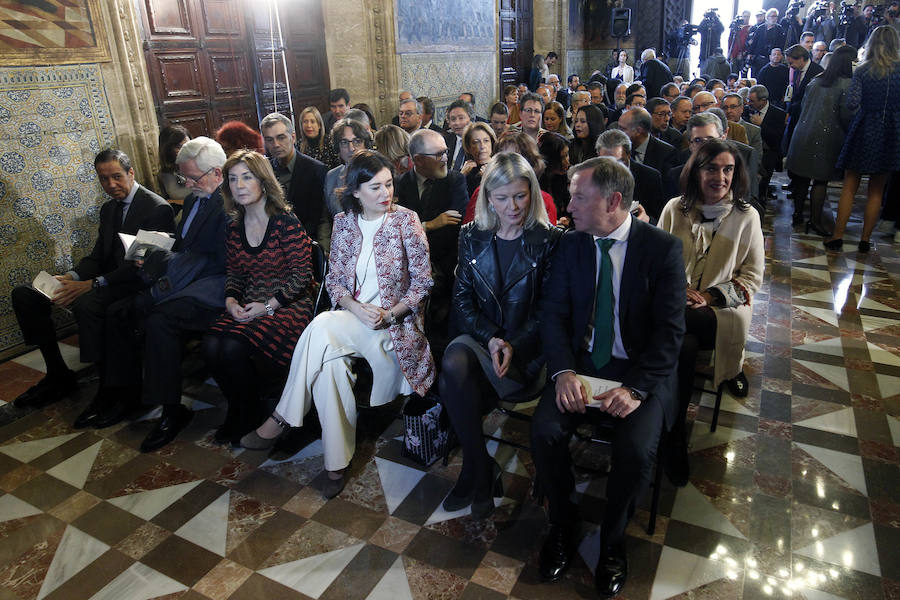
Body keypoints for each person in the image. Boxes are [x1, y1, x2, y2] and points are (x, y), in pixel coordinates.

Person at [532, 157, 685, 598]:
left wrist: (636, 389)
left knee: (635, 450)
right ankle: (563, 523)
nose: (569, 204)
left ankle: (614, 540)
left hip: (638, 370)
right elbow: (553, 316)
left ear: (614, 201)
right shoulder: (571, 244)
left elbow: (669, 334)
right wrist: (561, 372)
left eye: (579, 196)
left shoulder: (660, 250)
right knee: (544, 432)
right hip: (581, 366)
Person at [243, 151, 435, 500]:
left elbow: (423, 284)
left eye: (388, 184)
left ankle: (283, 420)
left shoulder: (407, 221)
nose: (385, 193)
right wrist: (354, 307)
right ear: (356, 191)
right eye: (375, 187)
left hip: (392, 328)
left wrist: (388, 313)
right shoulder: (345, 222)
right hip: (350, 319)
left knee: (320, 329)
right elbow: (334, 283)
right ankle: (335, 463)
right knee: (329, 359)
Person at [440, 152, 561, 518]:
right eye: (503, 197)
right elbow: (461, 298)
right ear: (488, 198)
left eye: (521, 196)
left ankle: (476, 471)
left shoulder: (550, 239)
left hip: (527, 353)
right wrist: (492, 338)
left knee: (453, 384)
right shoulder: (471, 236)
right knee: (454, 359)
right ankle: (479, 470)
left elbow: (548, 311)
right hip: (482, 342)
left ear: (533, 194)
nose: (513, 206)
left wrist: (512, 343)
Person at [11, 150, 174, 412]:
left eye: (117, 177)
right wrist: (71, 277)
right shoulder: (109, 209)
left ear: (131, 173)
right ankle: (57, 373)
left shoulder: (157, 208)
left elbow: (139, 267)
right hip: (107, 281)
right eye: (104, 179)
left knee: (88, 303)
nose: (111, 185)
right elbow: (99, 255)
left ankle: (108, 385)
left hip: (136, 283)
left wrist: (92, 284)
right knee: (25, 295)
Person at [202, 150, 316, 444]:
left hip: (289, 303)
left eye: (247, 177)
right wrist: (230, 301)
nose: (239, 185)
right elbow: (236, 274)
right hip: (252, 301)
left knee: (232, 346)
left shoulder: (285, 221)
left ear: (263, 182)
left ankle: (249, 412)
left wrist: (268, 307)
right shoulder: (234, 225)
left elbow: (302, 276)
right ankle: (239, 409)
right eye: (233, 179)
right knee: (212, 343)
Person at [125, 137, 229, 451]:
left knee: (159, 320)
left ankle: (171, 410)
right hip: (189, 278)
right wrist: (157, 246)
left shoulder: (227, 204)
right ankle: (130, 393)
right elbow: (185, 242)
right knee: (127, 307)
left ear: (218, 173)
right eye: (184, 177)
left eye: (193, 178)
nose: (187, 184)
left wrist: (171, 264)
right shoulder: (198, 197)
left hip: (215, 286)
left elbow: (219, 261)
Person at [829, 26, 900, 252]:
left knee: (850, 185)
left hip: (865, 126)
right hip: (891, 130)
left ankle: (838, 236)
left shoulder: (862, 70)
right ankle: (865, 241)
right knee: (877, 190)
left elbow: (851, 103)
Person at [785, 45, 856, 237]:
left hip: (802, 132)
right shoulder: (847, 83)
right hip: (827, 137)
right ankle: (815, 221)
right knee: (820, 181)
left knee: (801, 178)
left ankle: (798, 215)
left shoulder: (816, 80)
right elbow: (846, 114)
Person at [259, 112, 328, 242]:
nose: (276, 144)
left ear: (293, 137)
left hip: (307, 241)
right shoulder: (264, 171)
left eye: (281, 137)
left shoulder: (315, 170)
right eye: (269, 139)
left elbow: (320, 218)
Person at [782, 44, 825, 224]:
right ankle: (795, 185)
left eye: (792, 63)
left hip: (808, 121)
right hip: (796, 119)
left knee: (803, 166)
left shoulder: (817, 72)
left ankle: (800, 200)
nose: (790, 67)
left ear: (801, 58)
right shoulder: (797, 71)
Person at [323, 118, 375, 249]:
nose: (351, 148)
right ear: (337, 147)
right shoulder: (331, 177)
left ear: (365, 144)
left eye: (357, 141)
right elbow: (326, 219)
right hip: (342, 248)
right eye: (344, 142)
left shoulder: (379, 173)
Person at [595, 129, 666, 222]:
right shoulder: (591, 179)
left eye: (619, 162)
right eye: (607, 162)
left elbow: (661, 221)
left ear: (629, 154)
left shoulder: (650, 177)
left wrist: (647, 220)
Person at [618, 107, 676, 175]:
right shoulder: (619, 149)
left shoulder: (667, 153)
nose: (618, 132)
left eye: (622, 129)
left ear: (638, 131)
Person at [538, 132, 572, 224]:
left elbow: (568, 209)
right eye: (562, 157)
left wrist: (566, 218)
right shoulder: (536, 182)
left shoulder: (562, 178)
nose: (567, 161)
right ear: (551, 159)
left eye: (567, 154)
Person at [460, 122, 497, 197]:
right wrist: (461, 176)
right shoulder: (467, 171)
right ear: (468, 147)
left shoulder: (499, 167)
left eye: (486, 141)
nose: (482, 146)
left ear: (492, 143)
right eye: (476, 142)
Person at [157, 125, 191, 204]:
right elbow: (176, 196)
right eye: (179, 147)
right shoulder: (165, 174)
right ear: (168, 150)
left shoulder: (202, 163)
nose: (186, 150)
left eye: (188, 145)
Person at [445, 99, 475, 172]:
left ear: (471, 119)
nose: (457, 123)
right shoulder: (445, 141)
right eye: (453, 119)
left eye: (461, 118)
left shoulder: (478, 142)